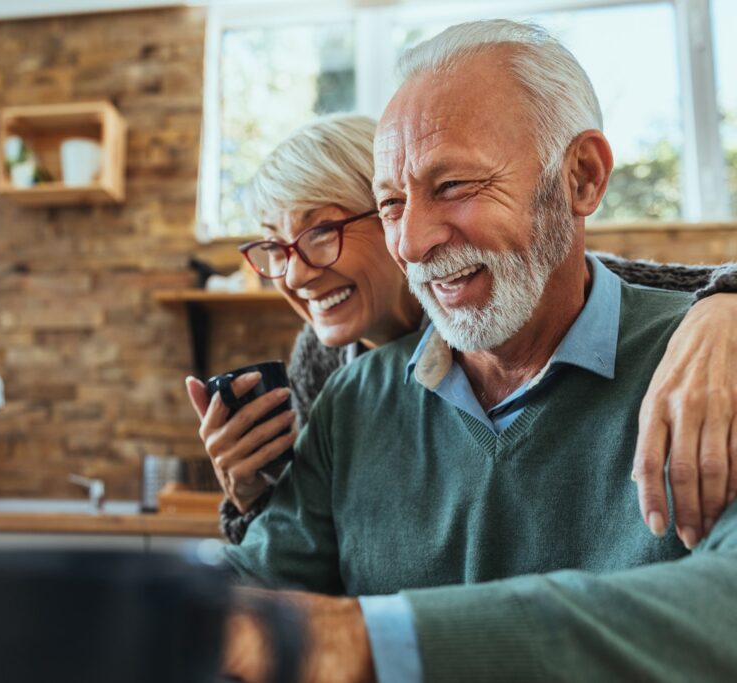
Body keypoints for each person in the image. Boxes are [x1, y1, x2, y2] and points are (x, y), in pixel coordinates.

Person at [220, 20, 737, 682]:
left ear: (580, 177)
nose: (411, 241)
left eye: (454, 186)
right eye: (391, 203)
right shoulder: (352, 396)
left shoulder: (708, 368)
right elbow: (255, 577)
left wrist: (372, 640)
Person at [187, 113, 737, 547]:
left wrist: (723, 309)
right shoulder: (324, 362)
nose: (298, 273)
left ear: (393, 214)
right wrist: (250, 496)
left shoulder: (514, 294)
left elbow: (667, 291)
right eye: (275, 247)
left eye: (321, 232)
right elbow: (307, 550)